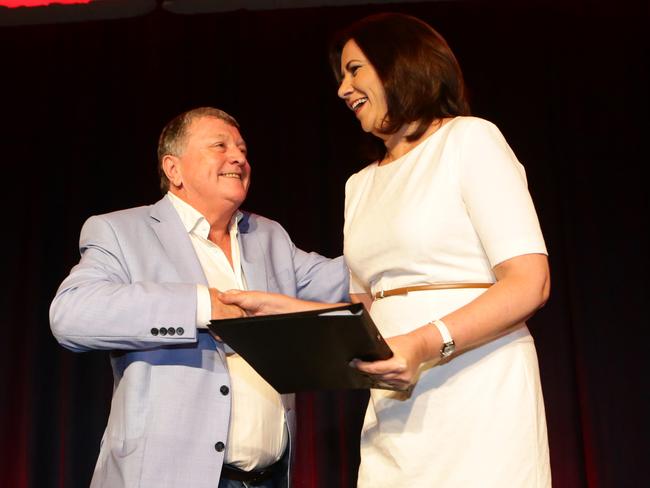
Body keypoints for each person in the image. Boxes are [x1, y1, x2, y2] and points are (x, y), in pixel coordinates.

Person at [220, 13, 552, 487]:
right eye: (341, 76)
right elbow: (367, 311)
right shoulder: (360, 185)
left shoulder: (469, 140)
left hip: (479, 387)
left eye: (354, 69)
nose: (342, 89)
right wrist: (287, 311)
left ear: (402, 63)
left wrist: (421, 344)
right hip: (394, 400)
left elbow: (530, 282)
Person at [49, 106, 349, 488]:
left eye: (242, 148)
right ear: (173, 169)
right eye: (220, 145)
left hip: (268, 478)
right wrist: (202, 306)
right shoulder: (122, 231)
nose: (238, 157)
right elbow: (72, 313)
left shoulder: (269, 236)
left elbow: (347, 281)